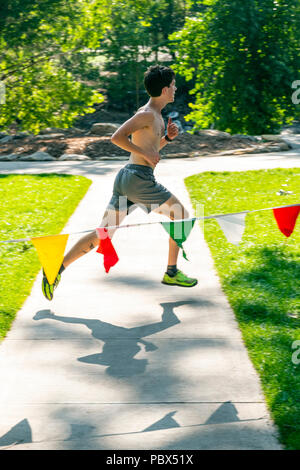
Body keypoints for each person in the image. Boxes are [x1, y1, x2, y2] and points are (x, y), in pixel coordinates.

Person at [42, 64, 197, 301]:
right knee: (181, 214)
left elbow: (149, 150)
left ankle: (55, 269)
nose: (175, 89)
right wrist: (146, 155)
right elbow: (117, 137)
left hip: (129, 178)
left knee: (103, 234)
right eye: (173, 85)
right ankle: (171, 272)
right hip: (138, 179)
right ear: (165, 89)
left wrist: (167, 139)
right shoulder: (146, 114)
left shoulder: (154, 116)